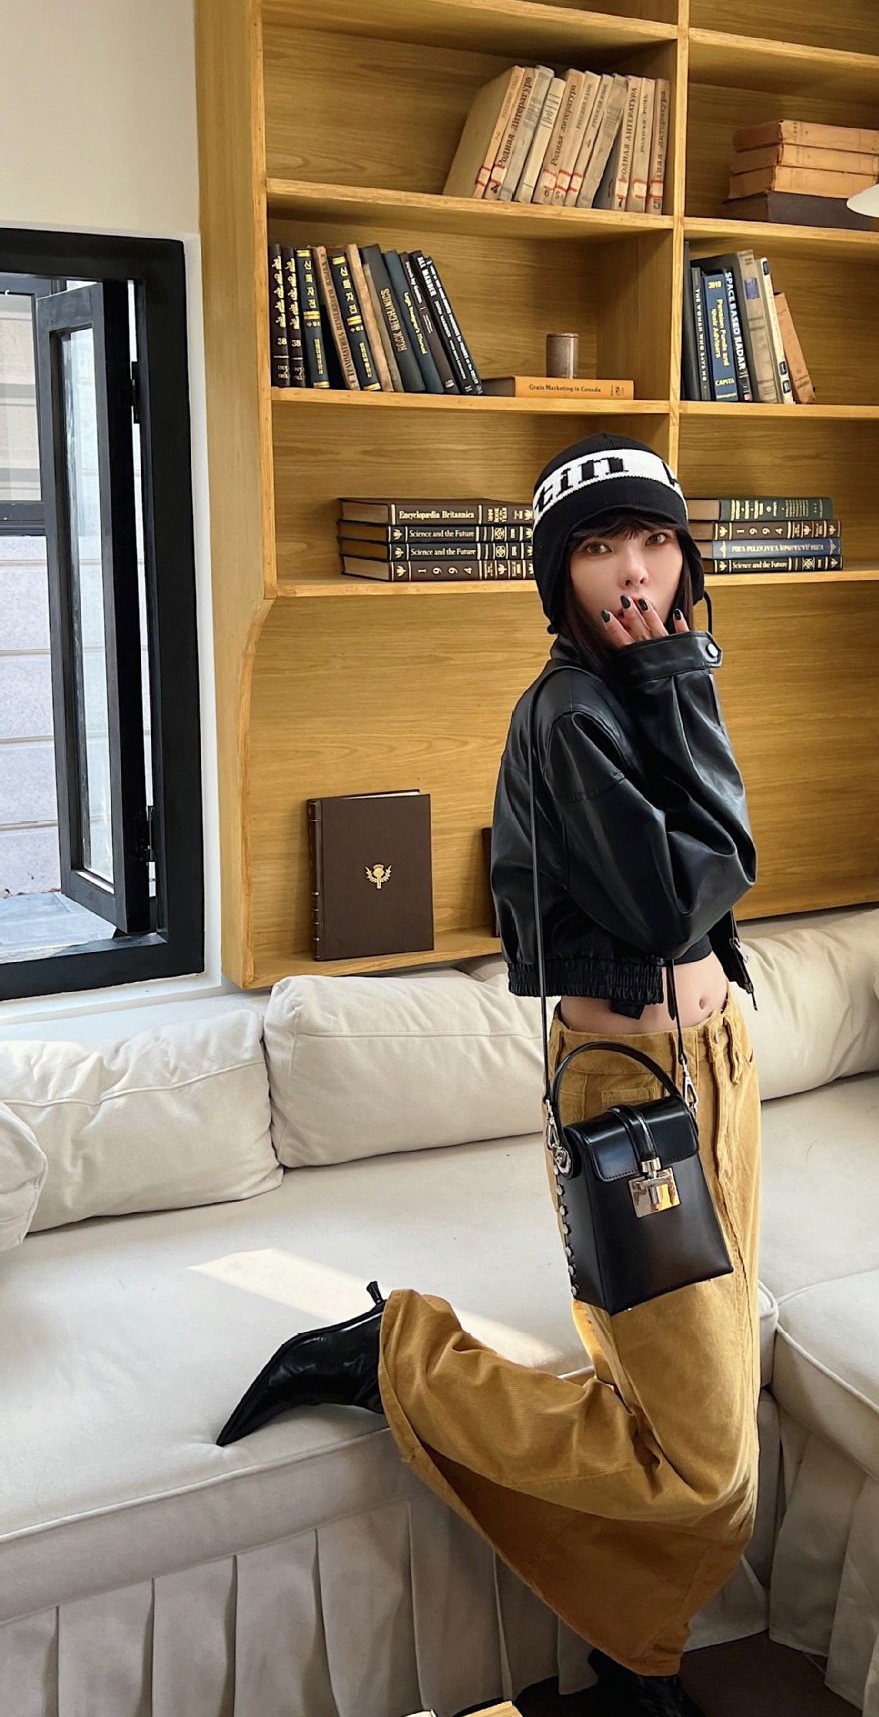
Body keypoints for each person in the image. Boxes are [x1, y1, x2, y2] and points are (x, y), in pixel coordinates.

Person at [216, 433, 761, 1717]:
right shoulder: (577, 712)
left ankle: (635, 1661)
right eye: (600, 550)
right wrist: (677, 676)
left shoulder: (652, 683)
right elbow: (682, 890)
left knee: (687, 1406)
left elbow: (715, 870)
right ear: (558, 575)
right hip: (633, 1093)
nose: (635, 573)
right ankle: (397, 1355)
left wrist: (673, 679)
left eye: (655, 541)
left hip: (719, 1064)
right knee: (702, 1460)